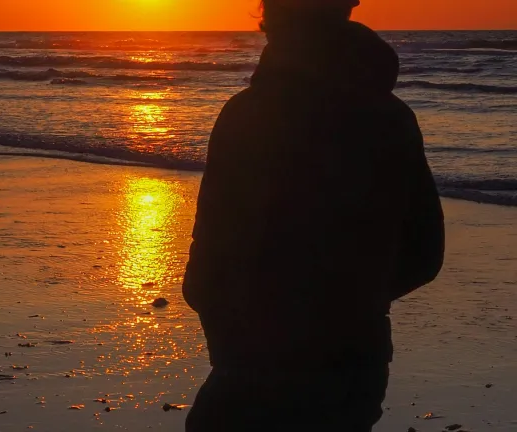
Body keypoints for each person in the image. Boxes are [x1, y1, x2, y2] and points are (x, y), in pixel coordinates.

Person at [182, 0, 445, 430]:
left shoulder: (250, 113)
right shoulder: (391, 116)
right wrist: (355, 300)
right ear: (349, 6)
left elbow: (213, 245)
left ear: (273, 18)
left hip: (258, 353)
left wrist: (226, 314)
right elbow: (425, 253)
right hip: (353, 354)